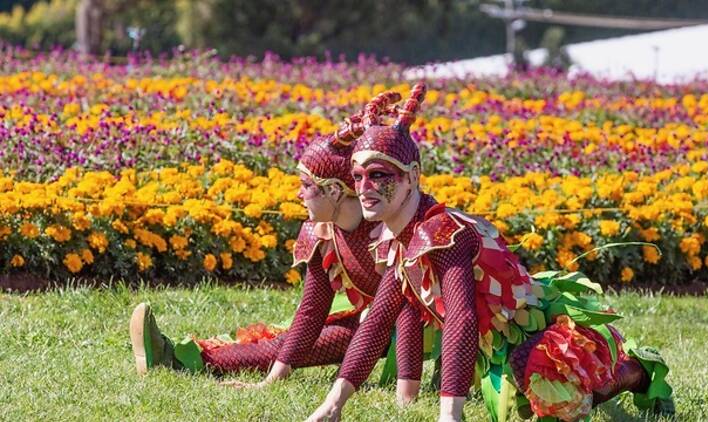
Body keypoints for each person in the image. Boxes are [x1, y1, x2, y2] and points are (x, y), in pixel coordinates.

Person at [307, 83, 674, 422]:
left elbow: (462, 318)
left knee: (557, 400)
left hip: (539, 338)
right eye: (357, 177)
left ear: (412, 176)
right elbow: (377, 322)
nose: (364, 187)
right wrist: (333, 403)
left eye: (379, 175)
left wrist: (449, 416)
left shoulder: (444, 233)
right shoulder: (396, 239)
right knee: (528, 397)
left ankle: (633, 369)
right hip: (495, 353)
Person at [128, 91, 407, 389]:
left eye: (306, 185)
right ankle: (182, 352)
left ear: (335, 191)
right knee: (284, 337)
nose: (299, 194)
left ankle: (179, 358)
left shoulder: (388, 226)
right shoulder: (321, 232)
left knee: (306, 342)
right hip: (362, 316)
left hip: (407, 325)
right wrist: (271, 381)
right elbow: (311, 311)